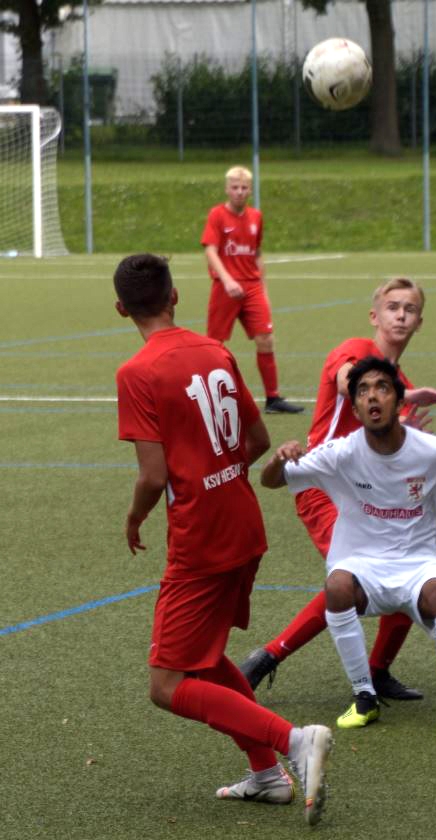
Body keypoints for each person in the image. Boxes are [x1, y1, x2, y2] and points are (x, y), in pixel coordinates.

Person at [113, 253, 331, 825]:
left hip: (202, 538)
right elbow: (257, 440)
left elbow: (154, 476)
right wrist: (217, 472)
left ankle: (293, 740)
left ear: (120, 309)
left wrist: (137, 516)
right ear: (176, 296)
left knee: (166, 683)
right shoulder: (216, 350)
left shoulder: (136, 372)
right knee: (204, 657)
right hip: (243, 519)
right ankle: (267, 776)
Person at [261, 356, 436, 736]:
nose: (373, 397)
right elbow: (270, 481)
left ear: (398, 399)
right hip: (362, 564)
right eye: (363, 391)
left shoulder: (432, 450)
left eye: (382, 388)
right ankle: (364, 697)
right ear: (355, 407)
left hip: (418, 564)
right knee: (336, 586)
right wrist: (278, 458)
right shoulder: (341, 453)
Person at [239, 278, 436, 702]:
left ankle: (377, 671)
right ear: (375, 316)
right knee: (351, 577)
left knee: (413, 559)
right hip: (322, 488)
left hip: (366, 493)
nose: (401, 315)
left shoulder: (397, 381)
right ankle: (267, 657)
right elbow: (349, 382)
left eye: (409, 309)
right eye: (392, 307)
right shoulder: (356, 351)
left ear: (419, 321)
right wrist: (405, 398)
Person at [201, 165, 303, 415]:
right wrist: (226, 280)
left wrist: (263, 289)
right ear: (227, 189)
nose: (239, 192)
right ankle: (209, 395)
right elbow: (210, 251)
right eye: (234, 187)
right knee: (215, 344)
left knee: (266, 339)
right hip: (226, 287)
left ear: (250, 190)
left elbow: (256, 253)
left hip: (252, 287)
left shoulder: (256, 217)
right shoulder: (217, 215)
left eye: (244, 187)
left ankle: (273, 399)